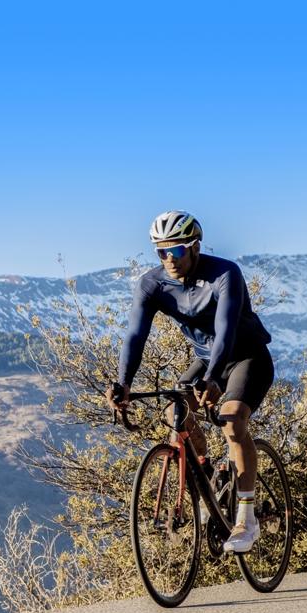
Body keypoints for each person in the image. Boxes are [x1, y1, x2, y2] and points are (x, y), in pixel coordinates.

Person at [107, 211, 274, 552]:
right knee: (175, 416)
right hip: (204, 358)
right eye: (161, 252)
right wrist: (123, 383)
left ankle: (246, 517)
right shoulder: (151, 284)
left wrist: (213, 378)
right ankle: (207, 485)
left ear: (195, 246)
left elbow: (225, 330)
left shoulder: (225, 274)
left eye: (178, 251)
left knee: (231, 422)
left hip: (246, 356)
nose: (170, 259)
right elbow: (136, 335)